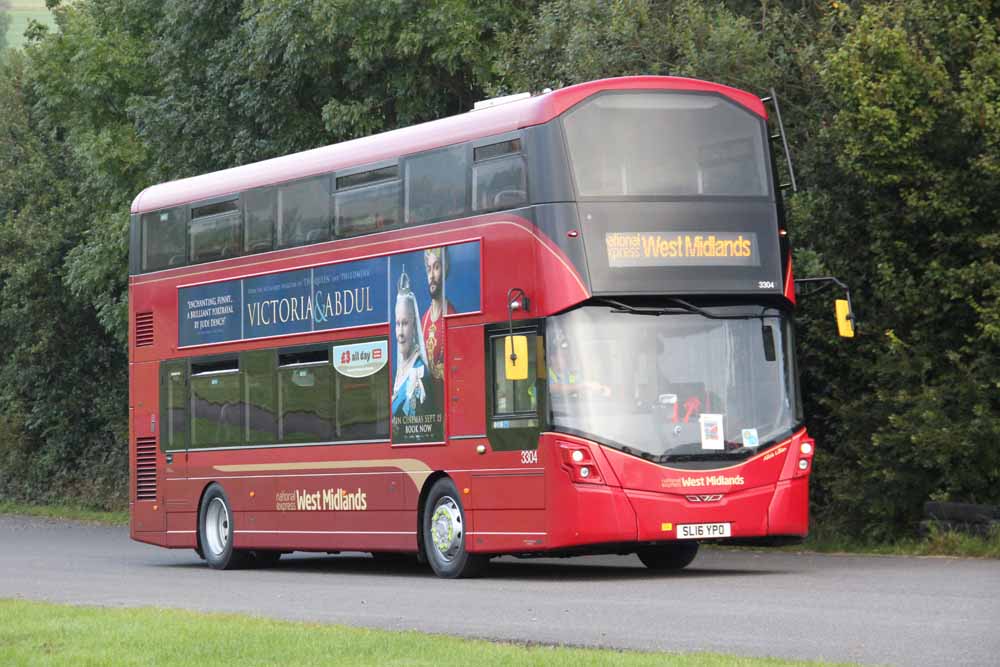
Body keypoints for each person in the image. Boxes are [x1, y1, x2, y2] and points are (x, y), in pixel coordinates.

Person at [391, 268, 431, 419]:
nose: (400, 333)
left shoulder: (419, 371)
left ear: (414, 328)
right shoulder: (400, 369)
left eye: (405, 323)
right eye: (398, 323)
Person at [421, 247, 455, 385]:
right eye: (429, 269)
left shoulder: (451, 315)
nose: (432, 276)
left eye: (436, 267)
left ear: (444, 269)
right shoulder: (423, 321)